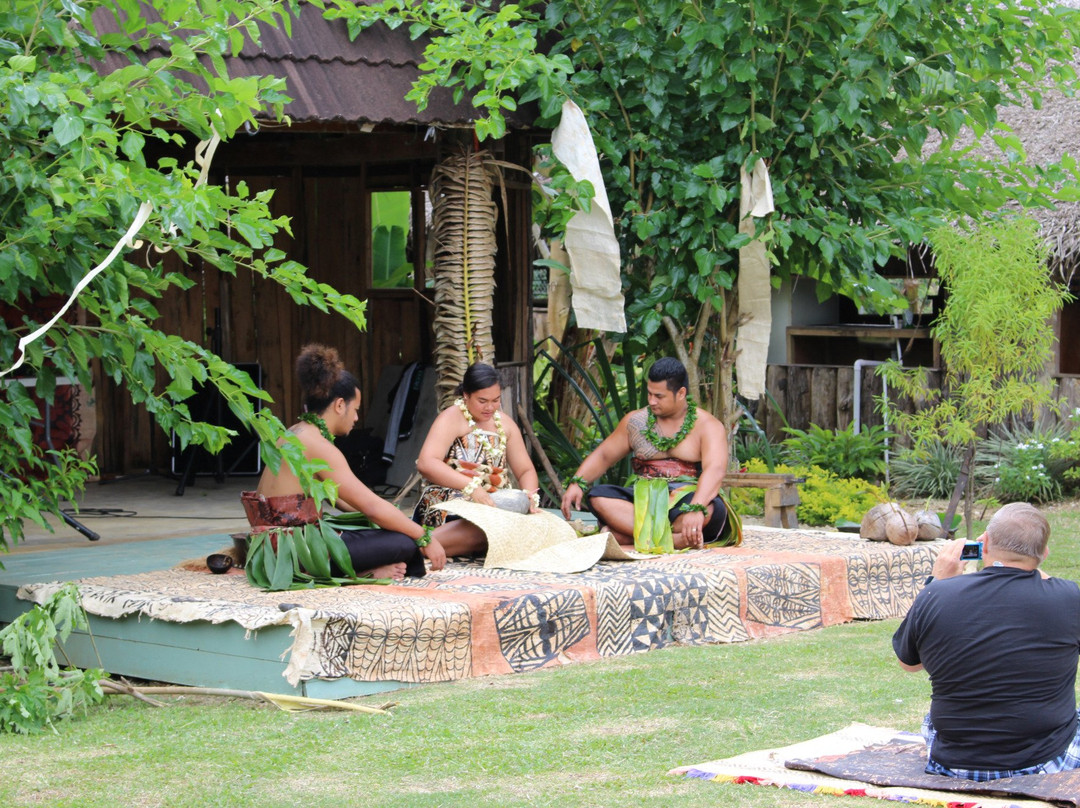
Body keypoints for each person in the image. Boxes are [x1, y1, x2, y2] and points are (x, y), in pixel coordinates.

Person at [892, 503, 1080, 781]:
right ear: (1044, 554)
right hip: (1045, 761)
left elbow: (909, 664)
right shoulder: (1070, 597)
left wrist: (938, 578)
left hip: (954, 763)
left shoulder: (936, 595)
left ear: (984, 543)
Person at [242, 344, 450, 581]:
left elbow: (343, 501)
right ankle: (362, 573)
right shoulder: (318, 445)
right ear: (340, 405)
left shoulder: (294, 432)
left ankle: (361, 568)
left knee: (386, 527)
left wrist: (391, 518)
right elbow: (370, 506)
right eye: (356, 409)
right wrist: (423, 536)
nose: (357, 418)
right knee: (404, 542)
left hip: (271, 550)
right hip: (290, 555)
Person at [559, 357, 733, 550]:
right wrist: (577, 482)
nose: (651, 401)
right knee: (598, 497)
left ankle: (627, 535)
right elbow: (604, 456)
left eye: (659, 396)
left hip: (684, 499)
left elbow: (715, 469)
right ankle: (674, 540)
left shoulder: (707, 426)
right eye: (649, 394)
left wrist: (696, 507)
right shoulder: (636, 422)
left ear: (681, 393)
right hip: (643, 500)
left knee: (712, 510)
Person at [413, 362, 541, 555]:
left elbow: (525, 470)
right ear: (466, 395)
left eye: (496, 400)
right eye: (482, 401)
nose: (490, 407)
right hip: (452, 499)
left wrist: (530, 497)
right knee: (487, 526)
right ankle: (421, 545)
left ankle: (430, 545)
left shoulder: (505, 424)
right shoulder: (452, 417)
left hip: (495, 503)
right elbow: (426, 463)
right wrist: (471, 487)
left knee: (528, 525)